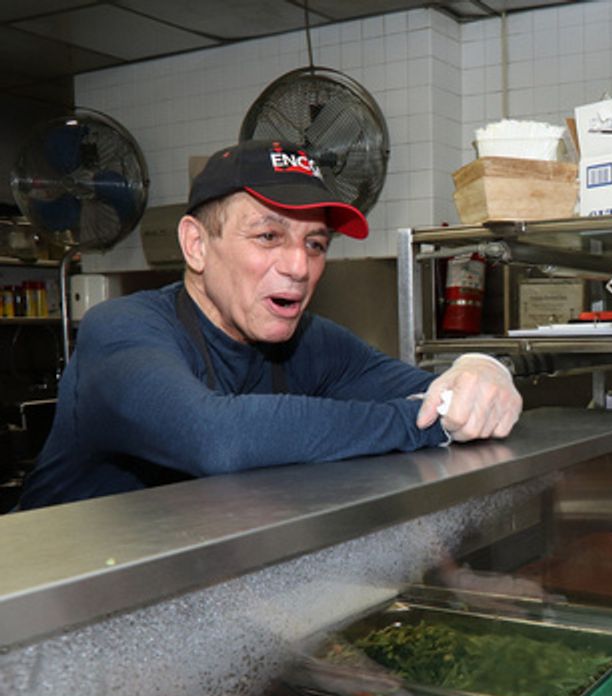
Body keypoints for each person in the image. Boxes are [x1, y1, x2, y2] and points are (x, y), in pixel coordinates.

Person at [17, 140, 522, 510]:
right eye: (267, 236)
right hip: (46, 603)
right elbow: (217, 439)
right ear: (196, 245)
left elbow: (444, 397)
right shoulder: (123, 330)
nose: (299, 268)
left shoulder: (310, 342)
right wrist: (417, 426)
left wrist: (483, 372)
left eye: (315, 244)